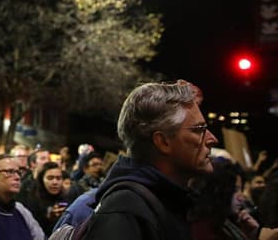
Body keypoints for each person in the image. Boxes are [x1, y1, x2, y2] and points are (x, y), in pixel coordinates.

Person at [82, 80, 218, 240]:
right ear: (163, 141)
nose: (212, 139)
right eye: (199, 130)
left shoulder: (170, 202)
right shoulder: (125, 210)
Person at [18, 161, 69, 235]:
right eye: (50, 178)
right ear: (42, 180)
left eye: (58, 178)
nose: (55, 182)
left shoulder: (65, 198)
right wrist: (48, 218)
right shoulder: (31, 199)